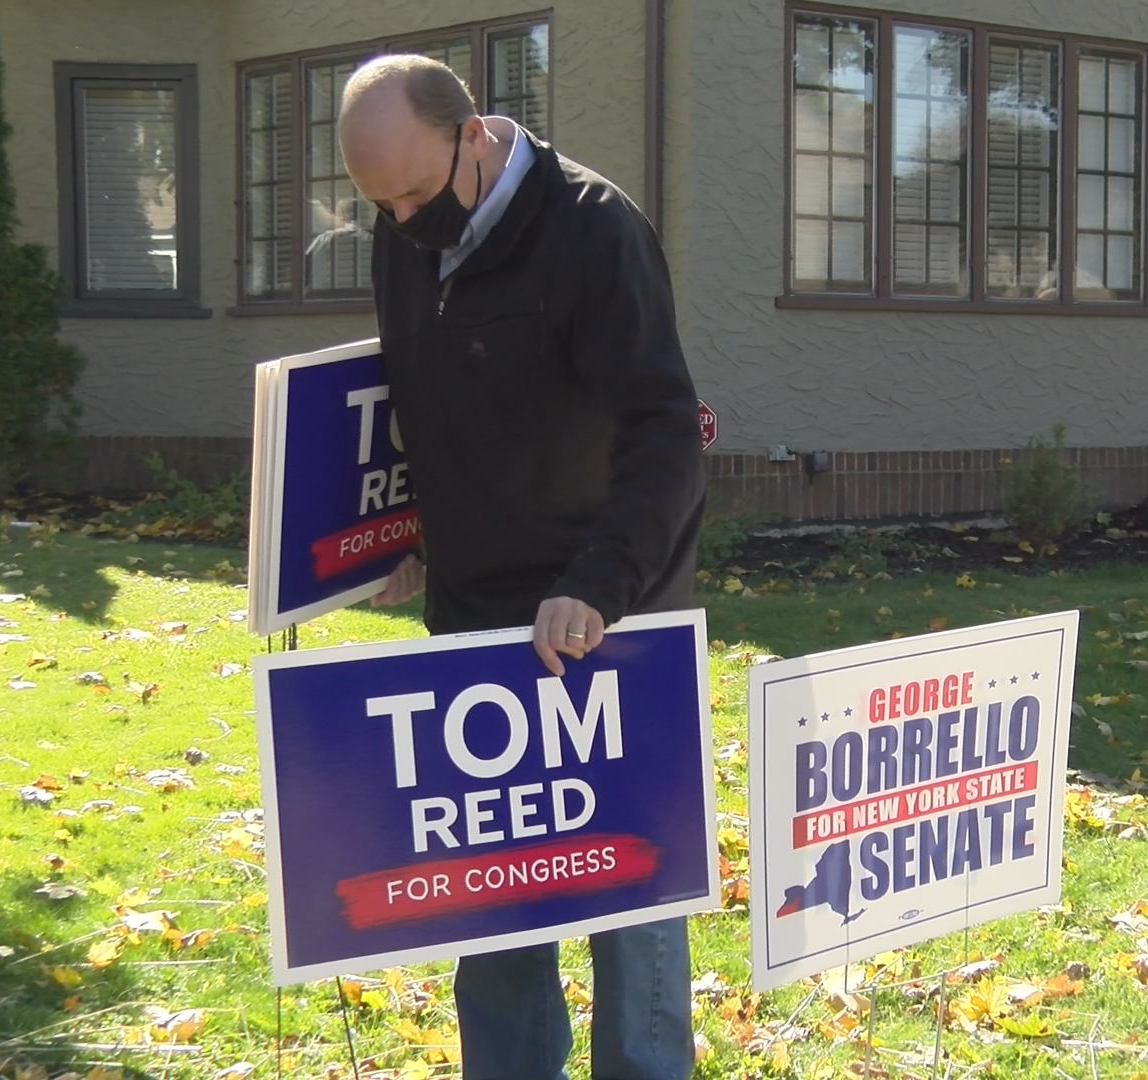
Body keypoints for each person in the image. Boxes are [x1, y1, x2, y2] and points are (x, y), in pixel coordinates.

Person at [336, 54, 705, 1080]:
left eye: (417, 194)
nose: (402, 221)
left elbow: (665, 430)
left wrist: (596, 584)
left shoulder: (594, 229)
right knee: (494, 903)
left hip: (612, 614)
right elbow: (427, 400)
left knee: (632, 896)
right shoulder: (406, 226)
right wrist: (406, 535)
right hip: (474, 618)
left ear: (475, 135)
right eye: (380, 204)